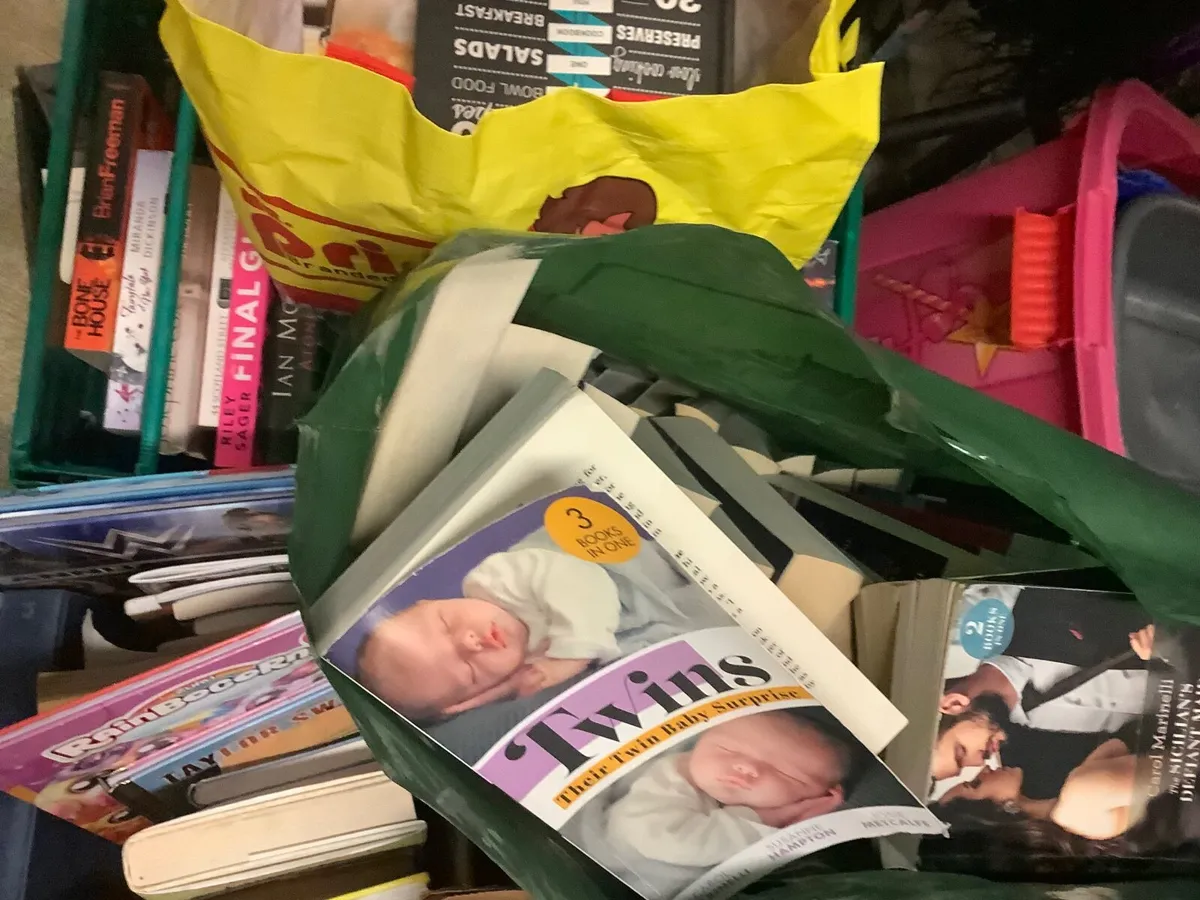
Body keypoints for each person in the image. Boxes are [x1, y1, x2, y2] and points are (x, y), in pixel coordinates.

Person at [357, 546, 625, 720]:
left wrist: (570, 660)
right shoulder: (526, 665)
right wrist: (499, 691)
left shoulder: (495, 580)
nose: (470, 642)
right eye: (470, 673)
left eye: (445, 624)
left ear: (429, 602)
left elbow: (582, 581)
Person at [604, 711, 852, 868]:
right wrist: (772, 818)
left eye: (786, 773)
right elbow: (669, 840)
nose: (745, 767)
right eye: (727, 749)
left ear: (815, 796)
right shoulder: (675, 774)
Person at [931, 624, 1158, 785]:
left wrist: (1166, 647)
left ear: (953, 704)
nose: (979, 762)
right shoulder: (1026, 761)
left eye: (961, 753)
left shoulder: (1026, 620)